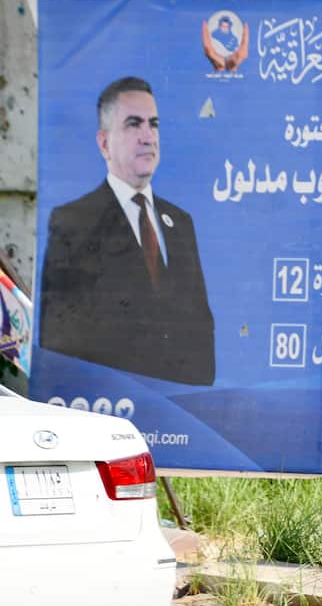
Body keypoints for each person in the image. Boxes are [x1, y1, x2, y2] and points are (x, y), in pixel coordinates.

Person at [39, 76, 216, 386]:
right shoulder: (73, 223)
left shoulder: (180, 223)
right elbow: (61, 344)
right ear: (105, 143)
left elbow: (201, 331)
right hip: (109, 413)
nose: (148, 136)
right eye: (134, 124)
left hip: (179, 419)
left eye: (154, 124)